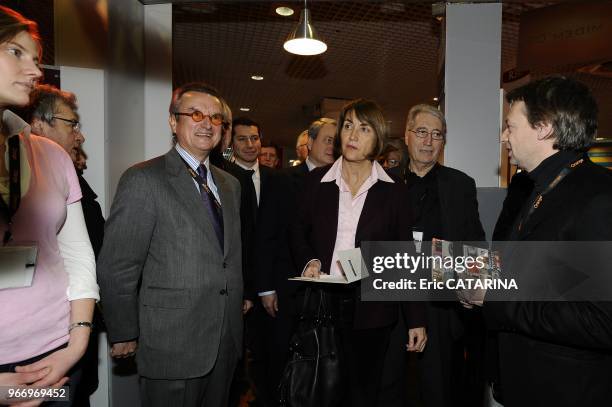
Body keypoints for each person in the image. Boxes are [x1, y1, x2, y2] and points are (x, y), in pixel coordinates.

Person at [98, 82, 243, 407]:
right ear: (173, 122)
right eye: (196, 114)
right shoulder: (143, 180)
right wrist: (123, 331)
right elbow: (118, 264)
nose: (207, 123)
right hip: (171, 341)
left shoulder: (231, 186)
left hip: (225, 339)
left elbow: (227, 257)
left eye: (216, 118)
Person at [482, 76, 612, 407]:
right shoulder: (543, 187)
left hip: (567, 389)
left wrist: (496, 300)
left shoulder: (598, 197)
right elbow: (547, 279)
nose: (502, 137)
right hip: (525, 382)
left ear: (543, 128)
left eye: (510, 126)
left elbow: (600, 320)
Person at [290, 99, 427, 407]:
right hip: (322, 303)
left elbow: (405, 256)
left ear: (377, 138)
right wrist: (310, 260)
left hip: (373, 305)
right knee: (321, 389)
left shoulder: (394, 190)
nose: (352, 135)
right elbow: (297, 231)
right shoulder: (315, 181)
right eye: (348, 126)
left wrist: (416, 319)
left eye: (363, 129)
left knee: (363, 392)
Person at [0, 6, 98, 405]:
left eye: (36, 59)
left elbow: (77, 256)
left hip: (56, 357)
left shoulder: (50, 156)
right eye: (15, 52)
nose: (35, 71)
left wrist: (76, 344)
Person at [380, 104, 486, 407]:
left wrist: (476, 291)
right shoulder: (383, 182)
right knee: (388, 384)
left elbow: (474, 240)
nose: (428, 141)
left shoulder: (460, 184)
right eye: (422, 132)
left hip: (440, 298)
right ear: (407, 135)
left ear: (443, 141)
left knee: (437, 386)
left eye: (436, 135)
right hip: (392, 296)